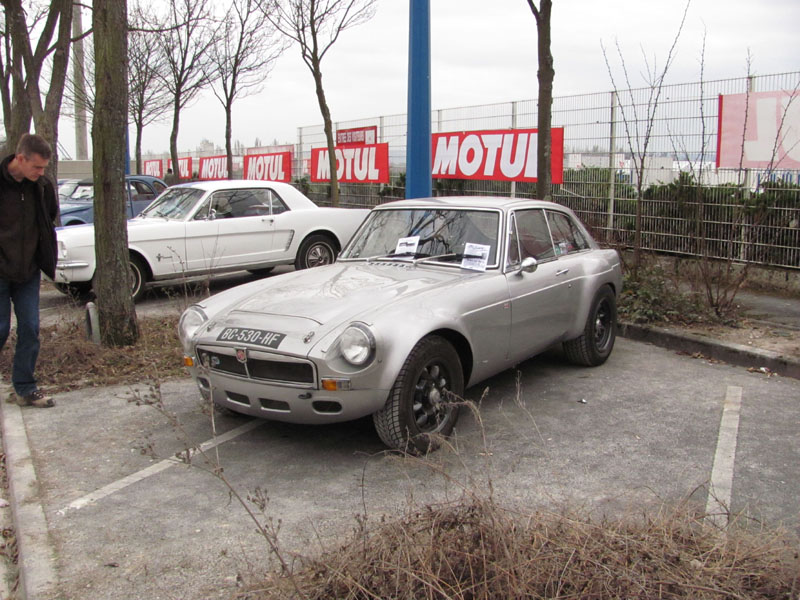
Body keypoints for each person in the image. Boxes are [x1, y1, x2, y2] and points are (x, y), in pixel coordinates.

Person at [0, 133, 58, 408]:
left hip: (28, 271)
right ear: (20, 158)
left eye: (44, 167)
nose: (41, 172)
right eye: (37, 167)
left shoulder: (42, 187)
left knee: (30, 328)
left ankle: (25, 387)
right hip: (0, 271)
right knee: (0, 329)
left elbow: (50, 218)